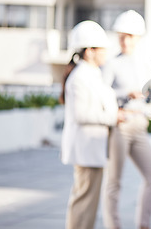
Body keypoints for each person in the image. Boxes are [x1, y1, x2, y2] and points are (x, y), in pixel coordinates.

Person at [61, 20, 125, 229]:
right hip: (86, 151)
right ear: (89, 51)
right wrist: (113, 118)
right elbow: (81, 114)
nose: (105, 54)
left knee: (88, 205)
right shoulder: (80, 77)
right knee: (83, 205)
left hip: (92, 151)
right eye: (102, 49)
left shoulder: (91, 74)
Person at [102, 10, 151, 229]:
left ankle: (143, 224)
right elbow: (103, 94)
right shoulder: (112, 64)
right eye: (121, 36)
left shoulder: (146, 63)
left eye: (129, 36)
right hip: (121, 126)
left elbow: (150, 95)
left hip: (140, 125)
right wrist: (127, 93)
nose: (124, 40)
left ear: (138, 37)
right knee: (114, 182)